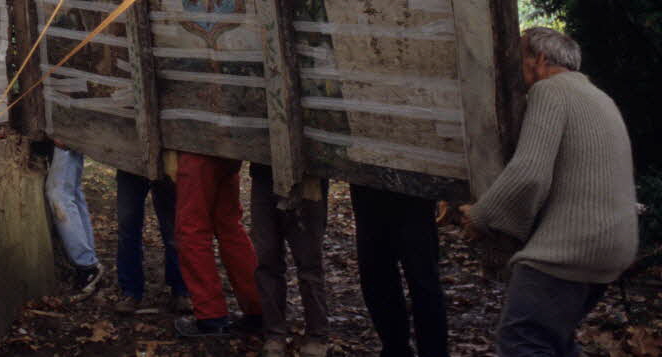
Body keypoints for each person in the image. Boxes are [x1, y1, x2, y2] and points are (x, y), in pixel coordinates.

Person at [461, 27, 638, 357]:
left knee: (522, 340)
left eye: (519, 57)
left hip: (572, 247)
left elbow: (529, 174)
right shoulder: (598, 96)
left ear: (539, 60)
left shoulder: (550, 91)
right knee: (555, 341)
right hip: (613, 246)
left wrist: (482, 216)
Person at [349, 184, 448, 357]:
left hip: (414, 191)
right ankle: (395, 349)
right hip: (367, 191)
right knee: (376, 276)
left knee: (423, 279)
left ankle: (433, 352)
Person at [174, 151, 262, 336]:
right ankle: (258, 309)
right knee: (230, 227)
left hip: (197, 152)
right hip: (226, 151)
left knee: (192, 230)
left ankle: (210, 317)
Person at [250, 164, 329, 357]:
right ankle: (274, 334)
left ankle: (317, 335)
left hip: (308, 177)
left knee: (309, 262)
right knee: (267, 258)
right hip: (263, 175)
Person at [113, 168, 189, 315]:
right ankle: (131, 291)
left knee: (173, 228)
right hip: (130, 161)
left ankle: (181, 291)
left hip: (166, 161)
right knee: (128, 226)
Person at [45, 144, 103, 297]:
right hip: (65, 131)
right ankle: (89, 263)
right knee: (71, 193)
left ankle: (87, 266)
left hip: (63, 130)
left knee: (59, 194)